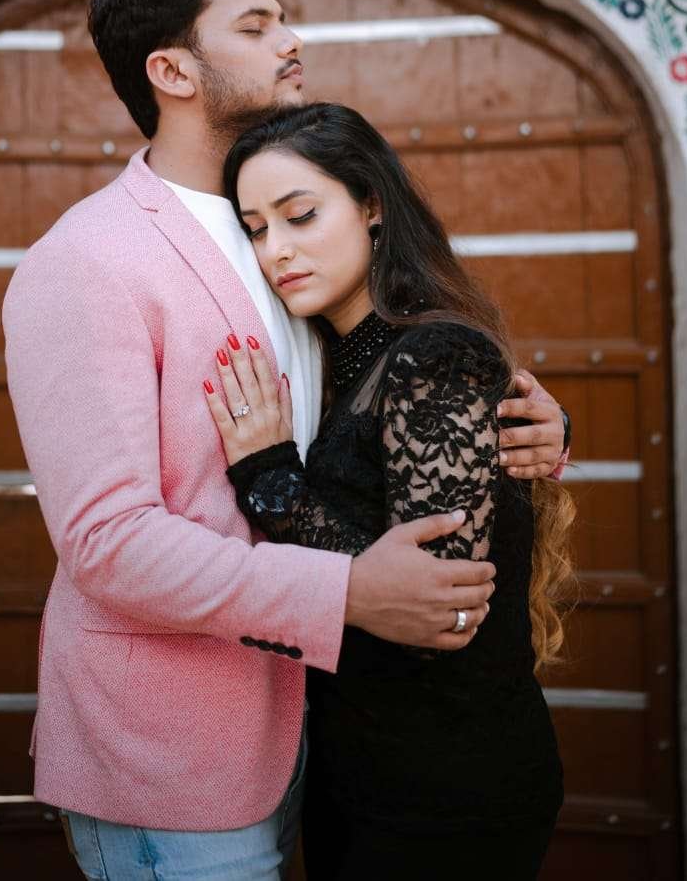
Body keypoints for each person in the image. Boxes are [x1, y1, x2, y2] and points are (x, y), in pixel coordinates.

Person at [2, 0, 569, 881]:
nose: (291, 39)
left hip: (329, 738)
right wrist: (347, 592)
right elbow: (107, 541)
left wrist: (527, 433)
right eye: (256, 25)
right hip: (174, 751)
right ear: (173, 72)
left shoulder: (289, 235)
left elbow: (384, 410)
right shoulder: (86, 261)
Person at [204, 101, 575, 879]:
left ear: (372, 205)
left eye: (301, 215)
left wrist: (270, 478)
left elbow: (440, 606)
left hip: (449, 790)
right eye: (256, 229)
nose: (277, 249)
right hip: (359, 775)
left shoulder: (433, 355)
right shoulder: (337, 366)